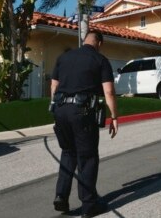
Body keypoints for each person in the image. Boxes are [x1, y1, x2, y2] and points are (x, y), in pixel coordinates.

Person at [50, 30, 119, 217]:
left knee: (68, 152)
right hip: (82, 112)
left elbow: (54, 86)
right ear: (99, 43)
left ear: (84, 40)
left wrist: (56, 109)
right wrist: (114, 117)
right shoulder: (100, 60)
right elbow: (109, 92)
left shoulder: (64, 57)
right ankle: (89, 205)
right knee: (87, 157)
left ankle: (61, 197)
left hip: (60, 109)